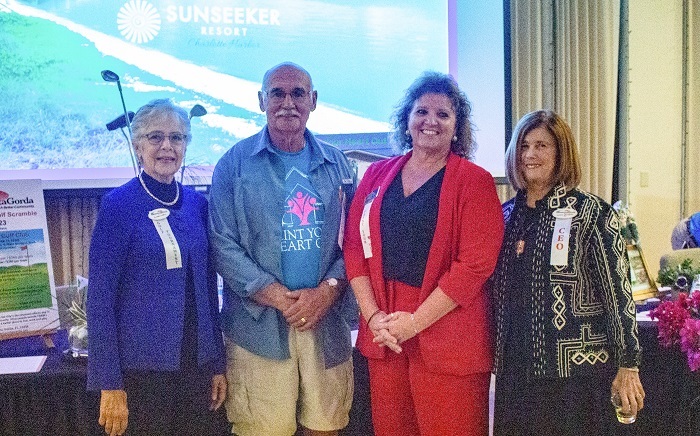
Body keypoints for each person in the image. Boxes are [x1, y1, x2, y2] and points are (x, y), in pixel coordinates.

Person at [343, 71, 505, 435]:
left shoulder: (475, 181)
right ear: (407, 120)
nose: (430, 121)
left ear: (457, 127)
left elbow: (475, 265)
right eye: (421, 112)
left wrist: (415, 322)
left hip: (447, 329)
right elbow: (354, 247)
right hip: (385, 331)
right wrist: (373, 317)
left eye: (443, 114)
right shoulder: (376, 175)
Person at [208, 62, 356, 436]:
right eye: (277, 93)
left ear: (313, 100)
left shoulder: (338, 164)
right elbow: (222, 244)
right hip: (258, 329)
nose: (287, 103)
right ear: (261, 100)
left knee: (326, 427)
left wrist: (327, 292)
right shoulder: (234, 164)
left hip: (324, 323)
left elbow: (356, 241)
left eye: (298, 93)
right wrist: (278, 297)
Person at [490, 110, 645, 435]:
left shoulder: (592, 213)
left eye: (541, 146)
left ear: (561, 152)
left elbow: (618, 294)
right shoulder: (503, 217)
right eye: (524, 146)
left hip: (574, 376)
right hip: (513, 371)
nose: (530, 154)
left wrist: (628, 364)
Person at [87, 99, 227, 436]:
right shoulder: (118, 206)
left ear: (185, 145)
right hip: (141, 371)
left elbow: (208, 290)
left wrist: (217, 362)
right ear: (138, 146)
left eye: (176, 138)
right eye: (155, 137)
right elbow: (100, 300)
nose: (167, 146)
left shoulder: (197, 204)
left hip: (196, 365)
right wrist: (109, 383)